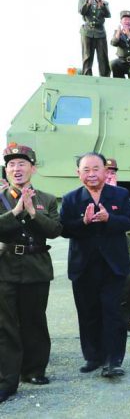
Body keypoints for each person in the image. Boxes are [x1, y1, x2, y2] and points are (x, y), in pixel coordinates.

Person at [60, 152, 130, 378]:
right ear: (78, 173)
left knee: (113, 312)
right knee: (88, 312)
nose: (91, 174)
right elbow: (64, 229)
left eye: (96, 169)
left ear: (105, 171)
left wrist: (109, 219)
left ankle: (114, 360)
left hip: (113, 265)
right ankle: (93, 357)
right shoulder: (70, 199)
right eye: (86, 170)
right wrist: (82, 222)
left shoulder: (120, 195)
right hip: (83, 266)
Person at [0, 144, 62, 403]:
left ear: (33, 168)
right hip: (5, 269)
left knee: (35, 321)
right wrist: (15, 212)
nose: (16, 168)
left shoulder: (46, 199)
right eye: (11, 164)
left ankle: (34, 370)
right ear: (6, 169)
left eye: (22, 164)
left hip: (36, 266)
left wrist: (34, 213)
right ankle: (7, 380)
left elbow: (55, 229)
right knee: (6, 327)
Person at [104, 158, 130, 333]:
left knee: (129, 282)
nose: (110, 176)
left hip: (120, 244)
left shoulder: (121, 195)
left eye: (113, 172)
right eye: (107, 172)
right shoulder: (92, 193)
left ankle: (127, 318)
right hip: (100, 246)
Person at [79, 0, 111, 77]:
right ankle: (87, 76)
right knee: (87, 56)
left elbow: (108, 14)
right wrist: (89, 2)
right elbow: (81, 11)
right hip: (87, 31)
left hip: (100, 32)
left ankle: (105, 77)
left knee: (103, 57)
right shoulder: (82, 0)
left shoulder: (104, 2)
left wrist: (101, 5)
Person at [110, 10, 130, 78]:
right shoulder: (117, 33)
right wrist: (118, 34)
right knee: (114, 64)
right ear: (121, 22)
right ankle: (120, 84)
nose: (127, 22)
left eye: (129, 20)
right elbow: (113, 43)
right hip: (122, 62)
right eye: (125, 20)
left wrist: (129, 35)